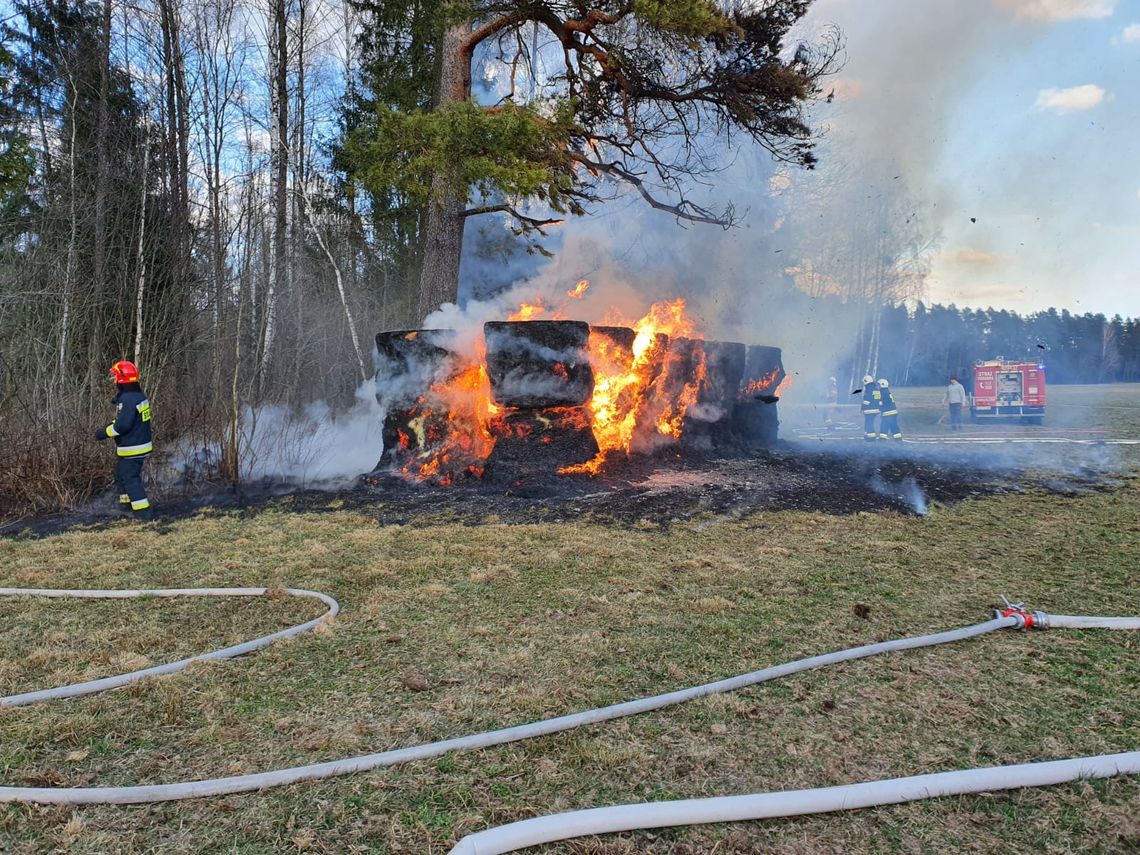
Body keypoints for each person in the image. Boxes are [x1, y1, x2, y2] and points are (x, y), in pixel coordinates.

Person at [93, 360, 154, 520]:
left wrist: (103, 433)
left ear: (122, 378)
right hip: (138, 444)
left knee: (130, 478)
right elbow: (129, 420)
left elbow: (123, 426)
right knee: (121, 475)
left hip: (133, 447)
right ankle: (125, 507)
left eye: (114, 375)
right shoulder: (136, 395)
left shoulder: (127, 399)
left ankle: (144, 514)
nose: (112, 378)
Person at [860, 374, 881, 442]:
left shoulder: (869, 388)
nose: (864, 384)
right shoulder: (876, 388)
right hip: (876, 409)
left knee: (869, 423)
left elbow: (866, 400)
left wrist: (862, 408)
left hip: (870, 409)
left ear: (866, 381)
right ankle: (867, 435)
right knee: (869, 422)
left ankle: (871, 438)